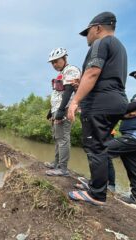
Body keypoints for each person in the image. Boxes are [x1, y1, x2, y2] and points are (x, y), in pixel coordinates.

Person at [67, 12, 129, 206]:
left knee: (95, 147)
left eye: (88, 32)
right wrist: (82, 84)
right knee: (99, 145)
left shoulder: (100, 43)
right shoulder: (120, 47)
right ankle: (96, 184)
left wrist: (75, 101)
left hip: (100, 104)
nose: (87, 37)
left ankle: (97, 194)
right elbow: (103, 76)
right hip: (115, 100)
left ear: (97, 28)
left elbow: (93, 72)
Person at [44, 47, 81, 176]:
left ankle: (63, 169)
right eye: (52, 62)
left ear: (64, 58)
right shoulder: (61, 73)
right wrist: (51, 111)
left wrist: (60, 110)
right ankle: (56, 163)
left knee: (63, 138)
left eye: (56, 61)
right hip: (57, 109)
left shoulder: (71, 70)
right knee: (57, 137)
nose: (54, 64)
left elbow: (69, 90)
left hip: (64, 109)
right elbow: (58, 94)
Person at [106, 71, 136, 205]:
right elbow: (127, 113)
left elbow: (129, 111)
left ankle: (99, 185)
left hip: (133, 136)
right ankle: (135, 197)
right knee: (132, 167)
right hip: (128, 135)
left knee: (103, 150)